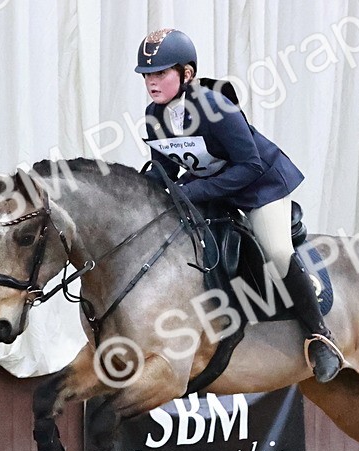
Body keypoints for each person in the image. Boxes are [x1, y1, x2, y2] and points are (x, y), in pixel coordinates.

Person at [134, 28, 343, 383]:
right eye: (147, 75)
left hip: (260, 186)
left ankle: (320, 336)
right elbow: (167, 170)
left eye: (161, 73)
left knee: (276, 251)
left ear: (186, 74)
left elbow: (250, 165)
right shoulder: (154, 117)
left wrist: (195, 191)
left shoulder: (216, 107)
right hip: (215, 189)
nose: (152, 82)